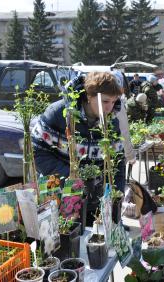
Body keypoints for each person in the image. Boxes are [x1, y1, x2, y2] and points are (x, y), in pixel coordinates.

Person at [32, 72, 126, 222]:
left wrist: (117, 195)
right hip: (57, 193)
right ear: (89, 96)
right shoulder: (58, 113)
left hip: (93, 201)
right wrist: (73, 178)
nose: (109, 107)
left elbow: (118, 161)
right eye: (105, 101)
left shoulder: (111, 123)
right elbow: (37, 152)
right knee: (62, 237)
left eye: (114, 102)